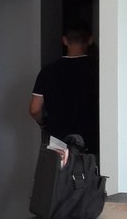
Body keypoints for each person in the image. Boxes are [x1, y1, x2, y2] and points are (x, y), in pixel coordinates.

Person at [29, 23, 98, 156]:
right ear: (90, 40)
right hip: (91, 138)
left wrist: (43, 123)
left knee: (58, 169)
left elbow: (35, 109)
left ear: (65, 41)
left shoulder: (48, 71)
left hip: (58, 140)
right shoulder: (98, 70)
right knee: (91, 168)